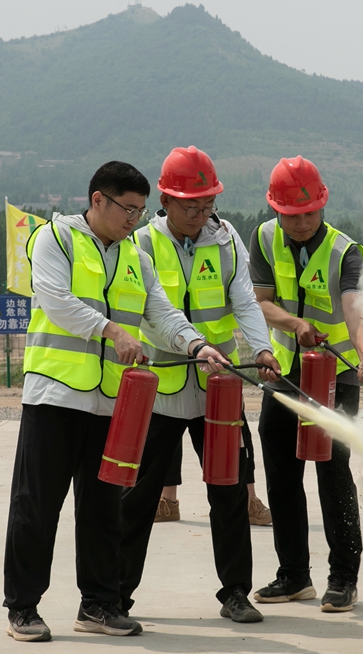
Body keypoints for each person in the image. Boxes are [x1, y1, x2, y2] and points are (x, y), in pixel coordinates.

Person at [3, 160, 228, 642]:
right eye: (127, 208)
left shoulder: (136, 257)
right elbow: (56, 300)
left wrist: (197, 345)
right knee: (36, 505)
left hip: (111, 403)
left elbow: (162, 312)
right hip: (55, 396)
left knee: (105, 507)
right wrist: (111, 330)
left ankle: (99, 605)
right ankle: (23, 607)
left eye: (140, 211)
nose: (134, 219)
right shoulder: (55, 239)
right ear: (98, 200)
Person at [119, 146, 281, 624]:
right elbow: (153, 311)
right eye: (190, 205)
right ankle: (115, 596)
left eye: (208, 204)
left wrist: (261, 349)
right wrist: (193, 346)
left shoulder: (226, 240)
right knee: (138, 497)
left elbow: (245, 301)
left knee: (229, 491)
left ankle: (236, 593)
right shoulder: (141, 244)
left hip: (220, 387)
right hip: (162, 386)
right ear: (165, 201)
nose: (200, 214)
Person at [249, 156, 363, 613]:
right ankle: (293, 576)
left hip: (335, 375)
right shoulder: (264, 238)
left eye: (309, 212)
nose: (302, 223)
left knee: (332, 470)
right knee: (281, 472)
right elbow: (260, 302)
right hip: (284, 371)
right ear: (276, 209)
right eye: (291, 214)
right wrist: (295, 324)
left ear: (323, 204)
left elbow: (355, 310)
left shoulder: (346, 252)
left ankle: (344, 578)